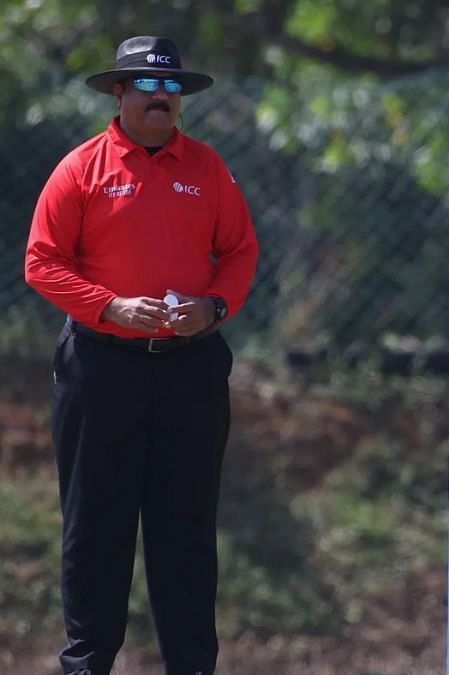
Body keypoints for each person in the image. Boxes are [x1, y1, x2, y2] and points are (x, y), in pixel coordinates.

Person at [24, 36, 258, 675]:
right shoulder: (81, 168)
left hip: (191, 373)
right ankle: (86, 666)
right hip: (101, 371)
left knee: (185, 533)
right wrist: (109, 306)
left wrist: (214, 307)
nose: (162, 98)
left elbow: (239, 252)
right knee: (96, 529)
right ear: (120, 93)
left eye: (173, 88)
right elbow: (41, 262)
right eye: (149, 87)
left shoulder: (208, 169)